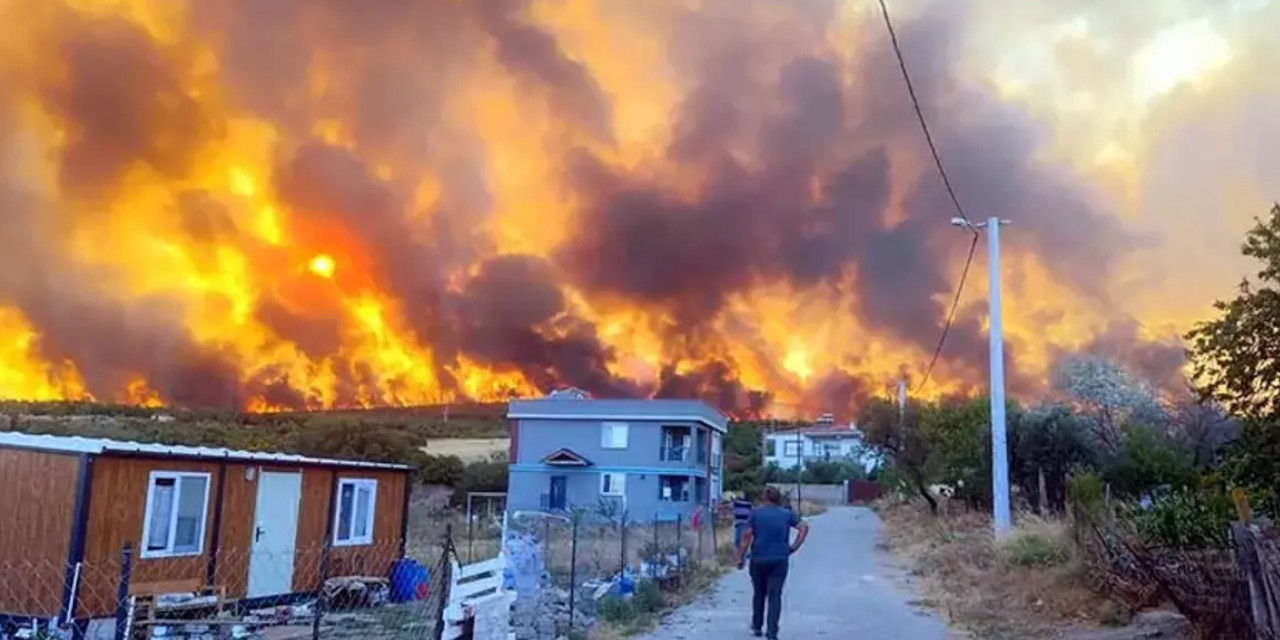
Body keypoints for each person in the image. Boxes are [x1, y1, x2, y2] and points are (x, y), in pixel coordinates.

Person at [734, 486, 809, 640]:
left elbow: (746, 536)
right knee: (775, 596)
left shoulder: (756, 514)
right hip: (779, 560)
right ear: (778, 498)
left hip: (758, 559)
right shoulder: (787, 514)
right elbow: (804, 527)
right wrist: (794, 547)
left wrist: (740, 557)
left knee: (759, 593)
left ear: (764, 498)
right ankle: (772, 632)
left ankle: (757, 626)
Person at [731, 492, 754, 558]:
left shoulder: (747, 504)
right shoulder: (738, 503)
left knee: (741, 540)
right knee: (738, 540)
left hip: (745, 524)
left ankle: (743, 554)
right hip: (739, 524)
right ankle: (741, 554)